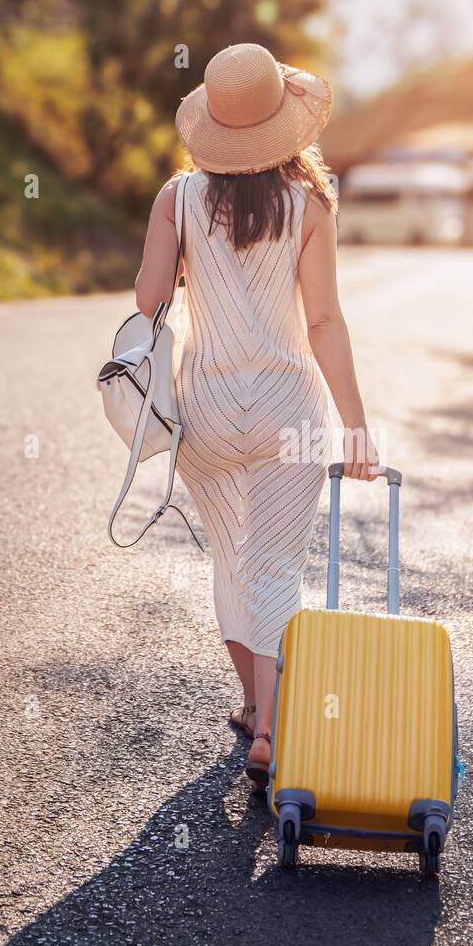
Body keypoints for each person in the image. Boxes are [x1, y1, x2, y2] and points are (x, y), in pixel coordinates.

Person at [135, 43, 378, 790]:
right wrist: (357, 425)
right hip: (289, 415)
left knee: (230, 560)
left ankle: (250, 701)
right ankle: (268, 726)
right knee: (275, 564)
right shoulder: (309, 207)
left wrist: (185, 264)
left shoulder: (176, 198)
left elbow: (147, 304)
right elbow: (325, 322)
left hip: (203, 412)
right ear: (284, 125)